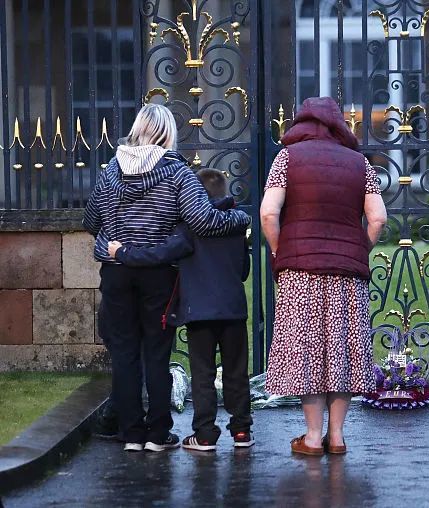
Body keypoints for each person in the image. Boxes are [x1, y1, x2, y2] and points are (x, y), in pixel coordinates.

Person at [83, 104, 251, 452]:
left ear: (139, 129)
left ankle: (131, 433)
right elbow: (204, 221)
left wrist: (117, 238)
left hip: (116, 271)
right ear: (167, 134)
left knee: (125, 353)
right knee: (157, 353)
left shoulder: (111, 170)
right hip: (158, 274)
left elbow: (90, 220)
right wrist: (240, 219)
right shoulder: (177, 173)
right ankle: (158, 433)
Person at [259, 96, 387, 456]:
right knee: (342, 349)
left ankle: (312, 438)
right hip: (348, 272)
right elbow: (378, 218)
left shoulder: (287, 158)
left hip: (301, 271)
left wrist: (277, 250)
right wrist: (359, 247)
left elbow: (269, 213)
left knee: (309, 351)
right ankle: (338, 436)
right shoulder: (360, 164)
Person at [107, 168, 254, 452]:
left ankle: (205, 433)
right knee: (237, 371)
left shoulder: (189, 228)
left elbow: (160, 253)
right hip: (234, 310)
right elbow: (245, 271)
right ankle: (241, 430)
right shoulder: (236, 225)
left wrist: (123, 253)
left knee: (203, 373)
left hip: (199, 311)